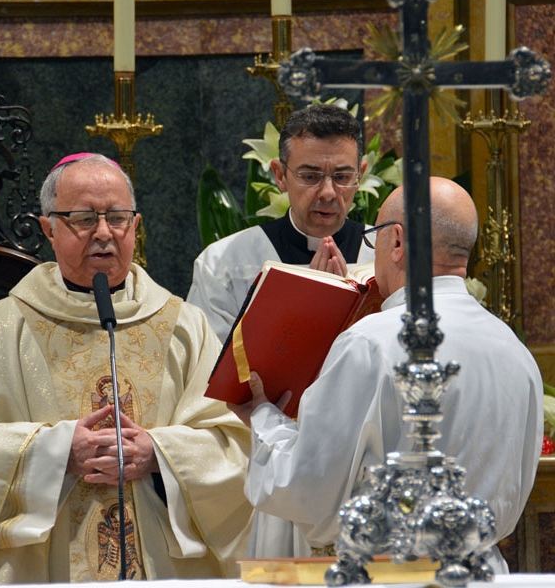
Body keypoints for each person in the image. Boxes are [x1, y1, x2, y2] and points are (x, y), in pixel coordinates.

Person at [0, 153, 253, 583]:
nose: (103, 233)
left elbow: (236, 441)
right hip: (45, 568)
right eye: (81, 218)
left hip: (162, 565)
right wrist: (53, 452)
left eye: (117, 217)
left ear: (136, 225)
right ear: (48, 229)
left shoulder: (185, 325)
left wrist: (160, 456)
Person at [230, 176, 544, 573]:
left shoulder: (372, 341)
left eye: (374, 235)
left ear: (396, 241)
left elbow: (308, 487)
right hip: (480, 572)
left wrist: (263, 417)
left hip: (391, 576)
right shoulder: (515, 350)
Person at [187, 103, 374, 343]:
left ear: (360, 176)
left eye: (342, 177)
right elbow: (210, 363)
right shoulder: (223, 263)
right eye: (309, 176)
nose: (328, 192)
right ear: (279, 175)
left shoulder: (388, 257)